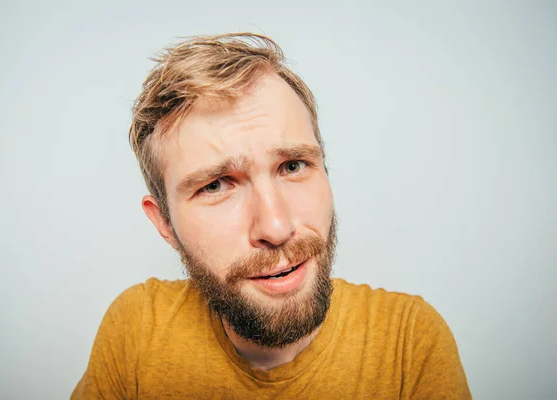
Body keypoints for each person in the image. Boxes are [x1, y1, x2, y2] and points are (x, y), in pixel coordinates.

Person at [72, 33, 471, 399]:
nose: (276, 228)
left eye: (294, 166)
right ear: (164, 224)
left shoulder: (410, 343)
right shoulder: (137, 330)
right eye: (215, 186)